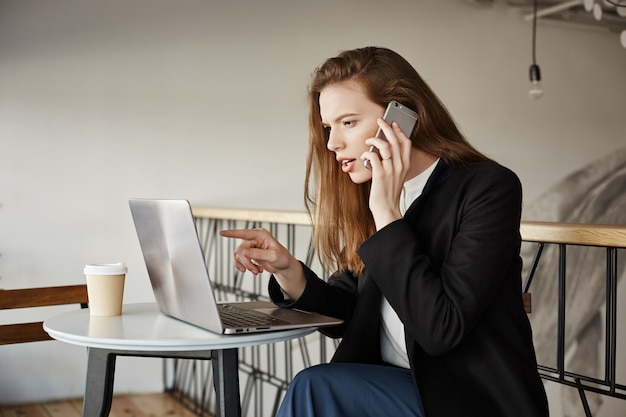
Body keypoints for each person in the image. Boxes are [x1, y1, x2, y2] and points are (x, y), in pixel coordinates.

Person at [220, 46, 549, 417]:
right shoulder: (377, 195)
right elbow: (348, 311)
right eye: (329, 128)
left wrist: (387, 215)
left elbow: (441, 329)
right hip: (390, 385)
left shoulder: (488, 188)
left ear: (402, 117)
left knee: (313, 387)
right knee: (317, 386)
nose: (332, 144)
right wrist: (288, 271)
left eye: (348, 122)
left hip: (467, 400)